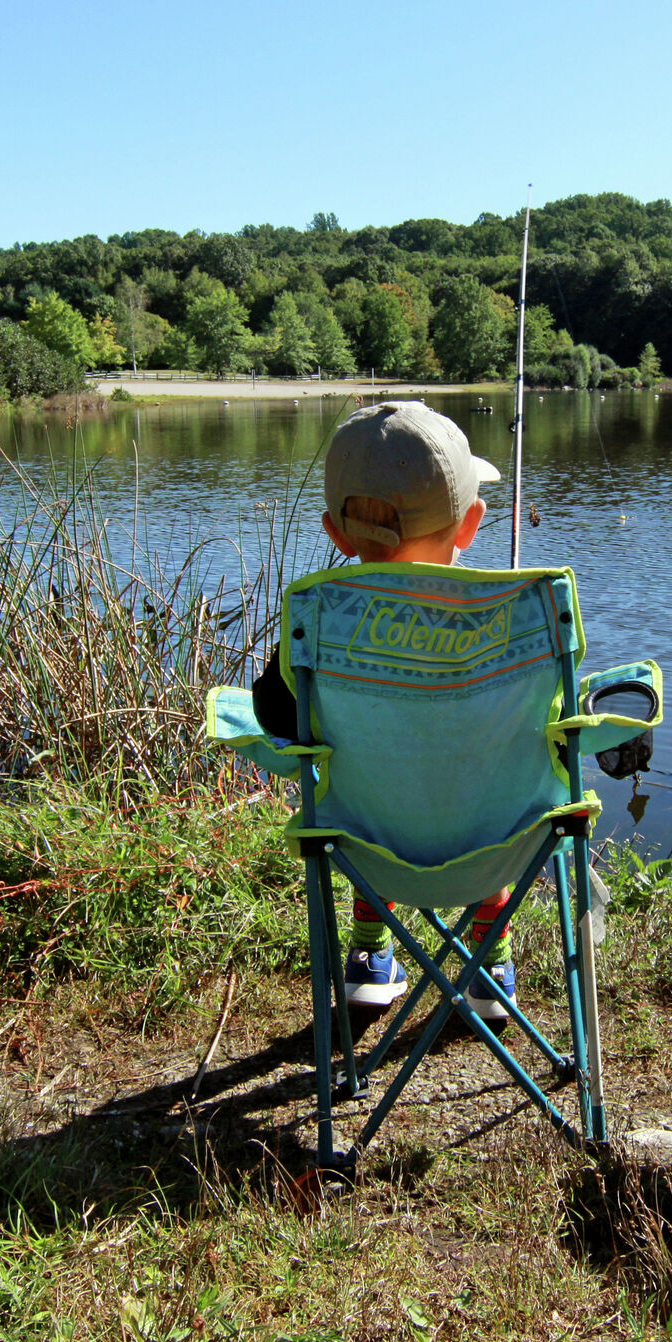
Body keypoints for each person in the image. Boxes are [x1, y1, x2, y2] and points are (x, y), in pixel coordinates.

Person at [251, 401, 518, 1027]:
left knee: (377, 786)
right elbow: (550, 728)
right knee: (485, 780)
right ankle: (489, 963)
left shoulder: (314, 628)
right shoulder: (511, 620)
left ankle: (370, 956)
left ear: (335, 532)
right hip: (496, 843)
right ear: (471, 523)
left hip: (369, 845)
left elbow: (280, 717)